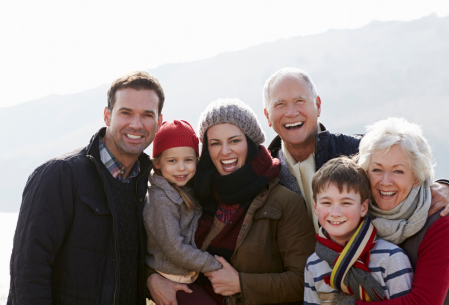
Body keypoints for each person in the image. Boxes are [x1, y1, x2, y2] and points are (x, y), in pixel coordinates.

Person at [7, 71, 164, 305]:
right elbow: (28, 273)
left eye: (147, 115)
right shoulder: (59, 175)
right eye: (126, 112)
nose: (136, 124)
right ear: (107, 115)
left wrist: (154, 279)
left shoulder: (149, 185)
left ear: (159, 122)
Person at [148, 98, 316, 305]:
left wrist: (240, 284)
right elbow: (160, 243)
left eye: (235, 141)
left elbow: (304, 281)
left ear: (250, 142)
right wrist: (151, 278)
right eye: (215, 143)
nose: (225, 151)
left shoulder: (285, 203)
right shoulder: (196, 195)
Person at [262, 67, 449, 231]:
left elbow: (411, 172)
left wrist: (448, 188)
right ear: (267, 116)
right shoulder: (264, 172)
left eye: (300, 101)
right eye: (280, 104)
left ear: (318, 106)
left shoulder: (358, 150)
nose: (291, 112)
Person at [355, 117, 449, 305]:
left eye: (398, 171)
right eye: (377, 170)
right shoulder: (359, 217)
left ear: (416, 178)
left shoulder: (445, 224)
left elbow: (423, 302)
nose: (385, 181)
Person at [304, 157, 413, 305]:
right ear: (316, 207)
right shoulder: (313, 264)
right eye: (327, 203)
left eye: (346, 203)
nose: (335, 212)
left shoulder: (391, 257)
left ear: (363, 208)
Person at [143, 119, 221, 304]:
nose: (181, 168)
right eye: (172, 161)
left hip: (187, 274)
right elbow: (174, 249)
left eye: (188, 160)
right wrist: (212, 265)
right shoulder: (160, 200)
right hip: (172, 277)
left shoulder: (185, 188)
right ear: (157, 163)